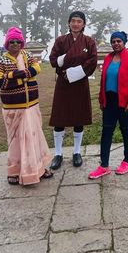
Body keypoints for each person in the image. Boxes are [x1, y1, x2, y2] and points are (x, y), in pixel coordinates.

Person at [0, 27, 52, 185]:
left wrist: (14, 77)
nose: (15, 44)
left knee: (34, 137)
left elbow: (36, 68)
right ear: (7, 43)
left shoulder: (28, 55)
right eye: (11, 41)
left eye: (18, 41)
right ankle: (14, 171)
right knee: (15, 141)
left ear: (21, 43)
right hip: (13, 108)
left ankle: (38, 168)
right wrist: (18, 75)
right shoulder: (2, 60)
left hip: (31, 105)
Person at [89, 30, 128, 179]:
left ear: (124, 42)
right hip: (109, 101)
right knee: (106, 132)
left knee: (126, 131)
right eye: (113, 41)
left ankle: (127, 161)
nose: (116, 44)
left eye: (118, 41)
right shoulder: (107, 58)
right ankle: (104, 165)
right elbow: (103, 81)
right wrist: (101, 99)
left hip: (125, 102)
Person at [49, 10, 98, 169]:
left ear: (84, 24)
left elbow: (92, 61)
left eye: (79, 21)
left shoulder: (89, 42)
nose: (76, 24)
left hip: (80, 83)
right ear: (69, 23)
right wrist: (65, 64)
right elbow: (53, 60)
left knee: (79, 117)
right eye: (73, 21)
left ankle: (77, 152)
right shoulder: (61, 40)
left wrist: (74, 73)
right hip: (63, 83)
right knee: (59, 118)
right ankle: (58, 153)